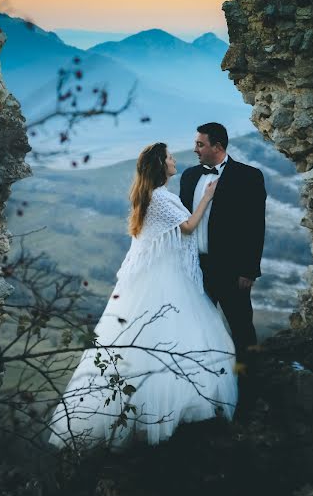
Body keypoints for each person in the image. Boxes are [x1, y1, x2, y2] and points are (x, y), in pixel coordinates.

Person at [48, 142, 237, 451]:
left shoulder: (153, 195)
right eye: (170, 157)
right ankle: (165, 416)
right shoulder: (160, 198)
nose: (175, 160)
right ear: (160, 165)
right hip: (166, 278)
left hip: (160, 274)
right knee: (171, 337)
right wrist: (206, 197)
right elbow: (188, 228)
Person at [180, 123, 267, 364]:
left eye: (200, 144)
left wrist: (249, 270)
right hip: (195, 268)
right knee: (196, 328)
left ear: (218, 146)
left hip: (231, 270)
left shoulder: (248, 176)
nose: (195, 149)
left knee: (241, 328)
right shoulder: (189, 177)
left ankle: (250, 381)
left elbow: (255, 227)